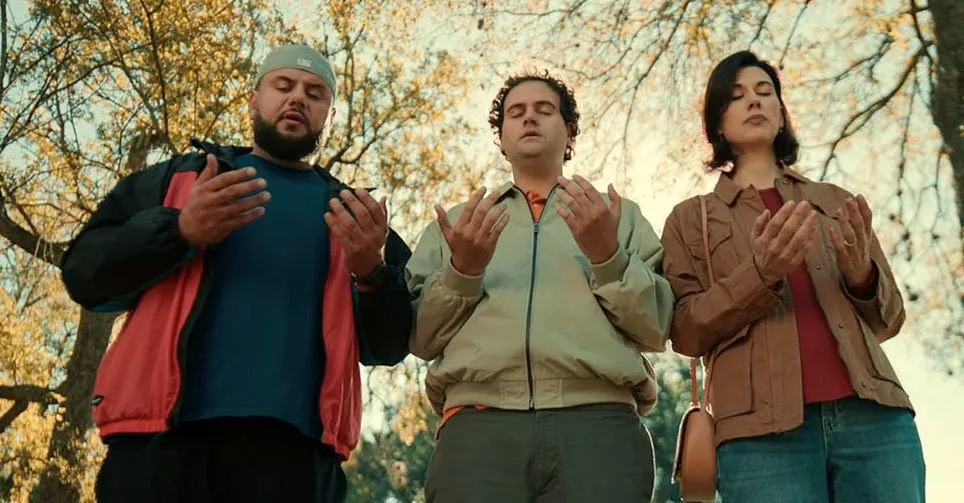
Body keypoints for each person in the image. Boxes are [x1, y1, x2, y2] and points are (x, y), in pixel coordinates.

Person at [60, 44, 413, 503]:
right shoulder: (178, 182)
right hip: (157, 448)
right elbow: (85, 276)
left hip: (297, 462)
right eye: (282, 86)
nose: (297, 99)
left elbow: (390, 345)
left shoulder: (357, 216)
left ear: (330, 115)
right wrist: (181, 229)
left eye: (315, 92)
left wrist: (370, 273)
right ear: (254, 100)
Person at [660, 50, 925, 502]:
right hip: (760, 438)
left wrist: (861, 274)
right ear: (717, 122)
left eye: (766, 93)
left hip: (875, 420)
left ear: (781, 114)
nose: (755, 102)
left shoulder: (834, 201)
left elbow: (890, 319)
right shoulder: (691, 220)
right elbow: (684, 332)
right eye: (738, 96)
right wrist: (760, 274)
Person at [405, 70, 675, 502]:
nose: (529, 118)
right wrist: (464, 270)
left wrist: (609, 257)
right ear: (502, 138)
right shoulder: (459, 224)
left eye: (544, 110)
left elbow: (657, 327)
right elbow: (420, 336)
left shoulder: (617, 217)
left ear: (569, 134)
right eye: (516, 113)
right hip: (478, 429)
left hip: (599, 427)